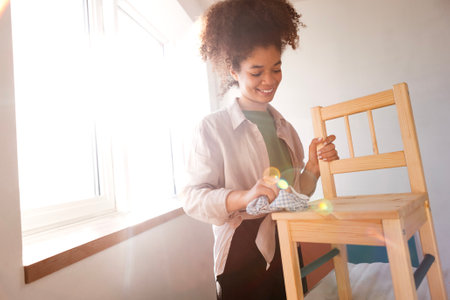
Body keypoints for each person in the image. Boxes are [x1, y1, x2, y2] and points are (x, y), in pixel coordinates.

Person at [181, 0, 339, 299]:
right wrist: (245, 196)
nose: (269, 80)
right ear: (233, 70)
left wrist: (312, 171)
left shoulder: (286, 129)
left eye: (276, 68)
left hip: (287, 240)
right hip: (242, 251)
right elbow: (192, 198)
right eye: (256, 72)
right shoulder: (212, 129)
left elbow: (296, 195)